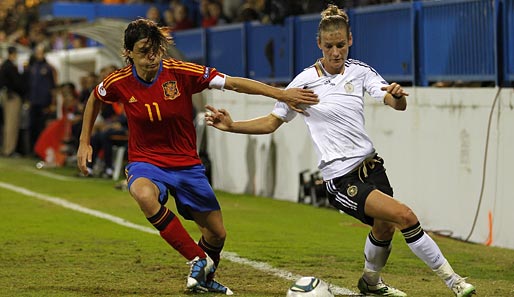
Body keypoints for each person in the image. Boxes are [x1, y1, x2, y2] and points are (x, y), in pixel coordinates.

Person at [205, 5, 476, 297]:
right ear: (319, 45)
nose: (336, 52)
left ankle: (370, 283)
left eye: (341, 45)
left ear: (350, 40)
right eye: (330, 46)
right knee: (406, 216)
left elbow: (390, 100)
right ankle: (455, 282)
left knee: (385, 229)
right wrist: (231, 125)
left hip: (372, 168)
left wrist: (396, 97)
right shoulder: (304, 82)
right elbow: (272, 122)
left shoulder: (360, 72)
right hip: (342, 179)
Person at [76, 18, 318, 295]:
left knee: (217, 234)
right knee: (143, 194)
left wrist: (282, 93)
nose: (152, 56)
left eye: (155, 48)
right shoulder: (119, 81)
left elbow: (234, 83)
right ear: (128, 53)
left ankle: (202, 279)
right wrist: (84, 141)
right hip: (147, 161)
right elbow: (95, 97)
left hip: (186, 164)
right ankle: (197, 259)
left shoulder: (180, 72)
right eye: (144, 50)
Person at [0, 46, 25, 157]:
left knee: (8, 123)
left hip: (6, 95)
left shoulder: (5, 65)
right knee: (12, 124)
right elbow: (18, 83)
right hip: (12, 96)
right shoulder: (10, 66)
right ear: (13, 54)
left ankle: (6, 148)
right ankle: (9, 150)